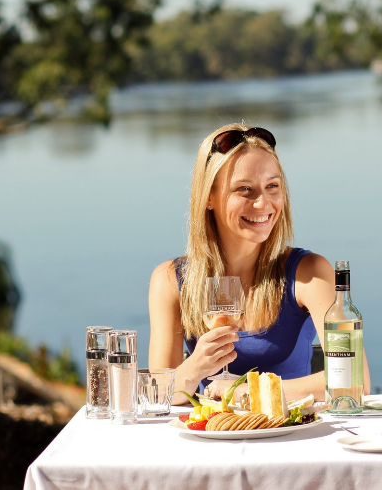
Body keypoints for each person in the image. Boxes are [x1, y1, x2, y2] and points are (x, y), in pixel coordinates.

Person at [148, 123, 368, 403]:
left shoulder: (310, 274)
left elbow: (354, 380)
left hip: (294, 439)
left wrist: (250, 391)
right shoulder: (170, 280)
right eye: (244, 190)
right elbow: (155, 397)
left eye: (272, 186)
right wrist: (193, 369)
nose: (263, 203)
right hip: (212, 441)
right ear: (209, 198)